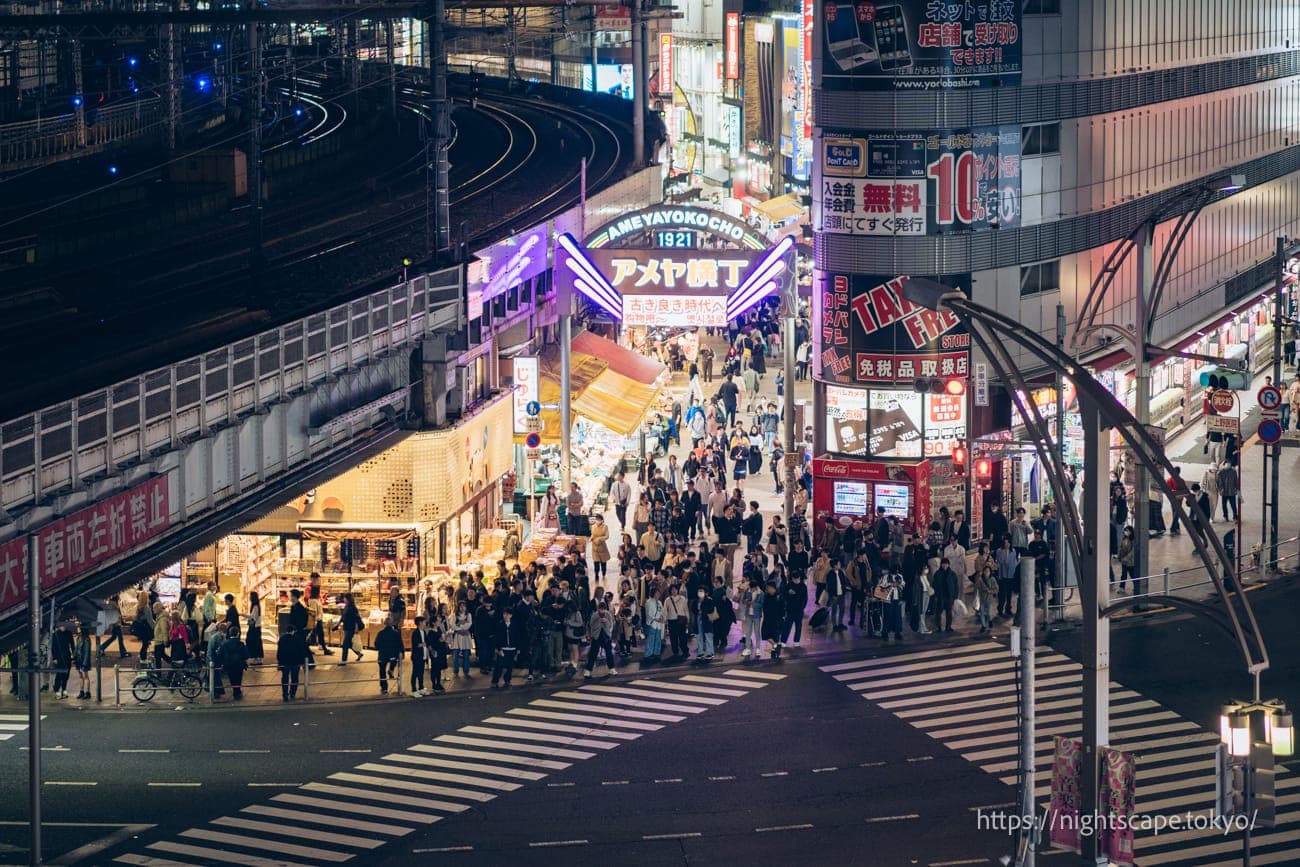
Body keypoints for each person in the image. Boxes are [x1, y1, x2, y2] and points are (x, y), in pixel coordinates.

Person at [583, 601, 618, 678]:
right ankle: (588, 670)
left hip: (606, 636)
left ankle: (611, 669)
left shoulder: (608, 614)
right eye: (600, 609)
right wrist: (598, 621)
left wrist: (606, 622)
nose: (601, 611)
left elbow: (611, 625)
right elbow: (592, 626)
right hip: (597, 636)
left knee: (609, 653)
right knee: (593, 653)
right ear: (598, 609)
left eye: (603, 609)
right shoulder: (594, 615)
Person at [492, 607, 524, 688]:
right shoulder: (499, 624)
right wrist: (498, 649)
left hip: (512, 648)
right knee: (499, 666)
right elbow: (497, 638)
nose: (506, 616)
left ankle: (507, 680)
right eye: (504, 614)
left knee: (510, 666)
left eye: (508, 614)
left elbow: (518, 637)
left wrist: (518, 648)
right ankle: (495, 681)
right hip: (503, 648)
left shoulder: (514, 625)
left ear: (511, 615)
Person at [276, 625, 306, 701]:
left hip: (285, 662)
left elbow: (279, 652)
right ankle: (292, 693)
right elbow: (301, 651)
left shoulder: (282, 639)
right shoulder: (297, 639)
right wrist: (302, 662)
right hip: (295, 662)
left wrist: (279, 662)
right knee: (295, 678)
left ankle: (285, 694)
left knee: (285, 678)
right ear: (293, 631)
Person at [375, 617, 404, 695]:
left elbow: (376, 645)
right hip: (393, 654)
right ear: (392, 624)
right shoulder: (396, 633)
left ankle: (384, 687)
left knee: (382, 670)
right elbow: (400, 644)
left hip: (383, 654)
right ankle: (391, 670)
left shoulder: (380, 633)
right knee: (393, 662)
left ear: (384, 623)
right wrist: (401, 653)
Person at [994, 538, 1020, 617]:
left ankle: (1008, 608)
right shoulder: (999, 551)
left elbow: (1014, 563)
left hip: (1011, 575)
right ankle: (1000, 609)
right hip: (1002, 575)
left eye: (1008, 543)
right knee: (1002, 593)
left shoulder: (1013, 551)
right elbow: (999, 562)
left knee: (1009, 594)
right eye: (1005, 543)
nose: (1006, 544)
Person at [222, 625, 248, 701]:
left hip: (229, 664)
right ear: (238, 633)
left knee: (232, 678)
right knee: (238, 678)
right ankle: (237, 691)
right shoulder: (241, 644)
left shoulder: (225, 643)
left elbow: (221, 654)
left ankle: (235, 690)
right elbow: (246, 655)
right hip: (239, 664)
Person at [665, 584, 690, 660]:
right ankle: (675, 652)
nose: (674, 591)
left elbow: (686, 609)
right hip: (671, 620)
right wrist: (665, 621)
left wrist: (688, 619)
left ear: (677, 590)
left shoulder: (682, 599)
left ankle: (685, 651)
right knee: (673, 638)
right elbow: (665, 610)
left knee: (682, 637)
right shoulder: (667, 600)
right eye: (672, 590)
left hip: (681, 620)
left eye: (675, 589)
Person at [338, 594, 364, 664]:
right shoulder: (346, 606)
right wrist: (337, 625)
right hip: (346, 628)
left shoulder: (353, 608)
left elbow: (356, 619)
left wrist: (356, 628)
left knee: (345, 645)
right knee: (349, 643)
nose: (344, 599)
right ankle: (359, 654)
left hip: (351, 628)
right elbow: (343, 616)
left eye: (345, 598)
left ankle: (344, 661)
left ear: (348, 599)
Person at [972, 566, 999, 634]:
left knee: (989, 614)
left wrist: (990, 591)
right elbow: (976, 588)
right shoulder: (980, 580)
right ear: (983, 572)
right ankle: (983, 626)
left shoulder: (992, 579)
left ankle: (990, 621)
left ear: (990, 572)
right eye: (985, 571)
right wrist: (975, 596)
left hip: (989, 599)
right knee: (982, 614)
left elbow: (996, 589)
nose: (987, 573)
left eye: (988, 571)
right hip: (982, 599)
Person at [409, 615, 429, 696]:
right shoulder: (415, 633)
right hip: (417, 656)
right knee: (415, 672)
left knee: (421, 672)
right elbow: (415, 644)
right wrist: (423, 644)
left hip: (423, 655)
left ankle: (421, 688)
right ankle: (413, 689)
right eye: (424, 622)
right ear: (420, 623)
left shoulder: (424, 632)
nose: (425, 623)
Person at [72, 625, 92, 701]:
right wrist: (74, 657)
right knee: (80, 676)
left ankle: (87, 692)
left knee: (86, 676)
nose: (77, 630)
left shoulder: (86, 639)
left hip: (83, 660)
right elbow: (76, 649)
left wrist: (85, 662)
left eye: (79, 629)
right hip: (78, 660)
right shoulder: (78, 638)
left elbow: (87, 652)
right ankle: (81, 691)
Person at [590, 514, 611, 581]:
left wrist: (599, 539)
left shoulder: (605, 527)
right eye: (596, 519)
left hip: (602, 546)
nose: (597, 521)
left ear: (602, 520)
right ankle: (596, 574)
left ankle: (603, 573)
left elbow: (607, 536)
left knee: (603, 562)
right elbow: (592, 534)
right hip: (595, 547)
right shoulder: (593, 526)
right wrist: (591, 538)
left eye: (599, 519)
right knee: (596, 562)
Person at [1117, 526, 1137, 594]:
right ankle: (1122, 588)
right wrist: (1119, 556)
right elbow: (1121, 548)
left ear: (1131, 532)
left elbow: (1132, 552)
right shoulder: (1124, 539)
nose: (1126, 532)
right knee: (1124, 574)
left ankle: (1136, 586)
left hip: (1130, 562)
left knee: (1132, 574)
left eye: (1127, 531)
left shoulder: (1133, 540)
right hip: (1124, 561)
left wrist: (1126, 558)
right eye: (1125, 531)